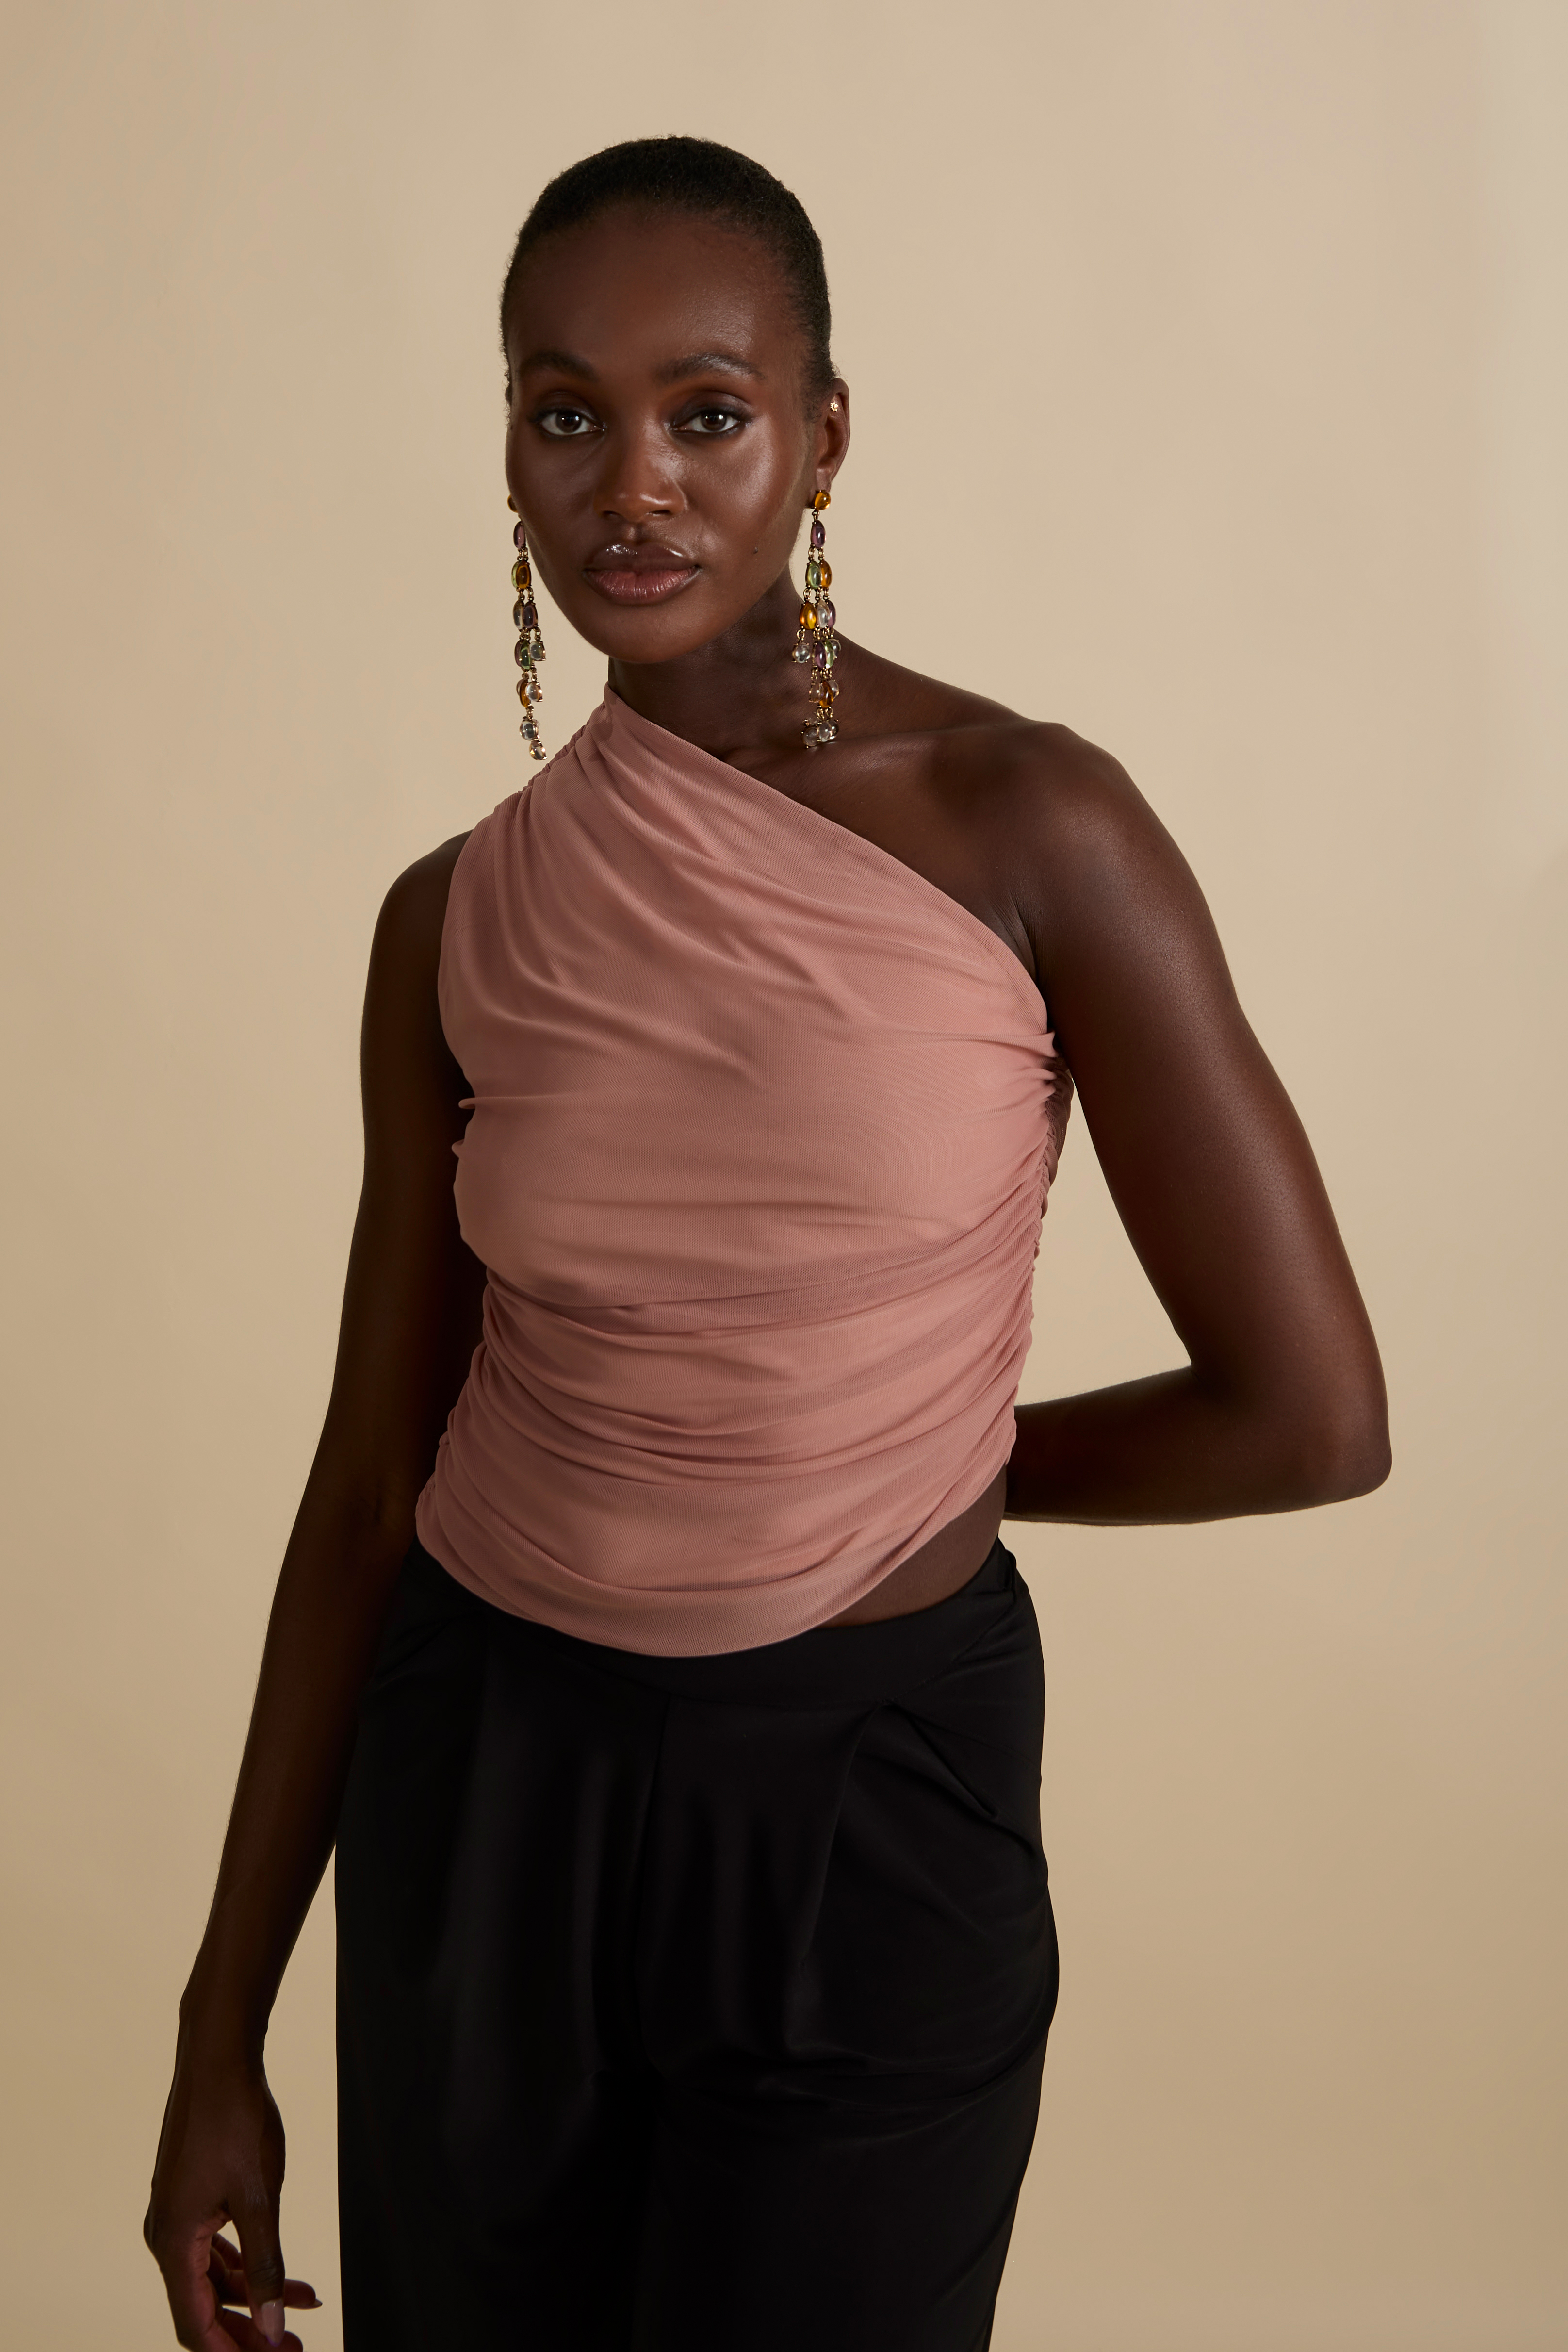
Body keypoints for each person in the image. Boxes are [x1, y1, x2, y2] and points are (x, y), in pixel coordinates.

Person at [144, 136, 1389, 2352]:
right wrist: (214, 2032)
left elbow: (1308, 1418)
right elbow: (365, 1488)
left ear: (821, 438)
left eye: (705, 411)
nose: (632, 483)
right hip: (481, 1775)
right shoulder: (452, 919)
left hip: (865, 1803)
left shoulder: (1030, 825)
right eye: (565, 413)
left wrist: (937, 1462)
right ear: (509, 452)